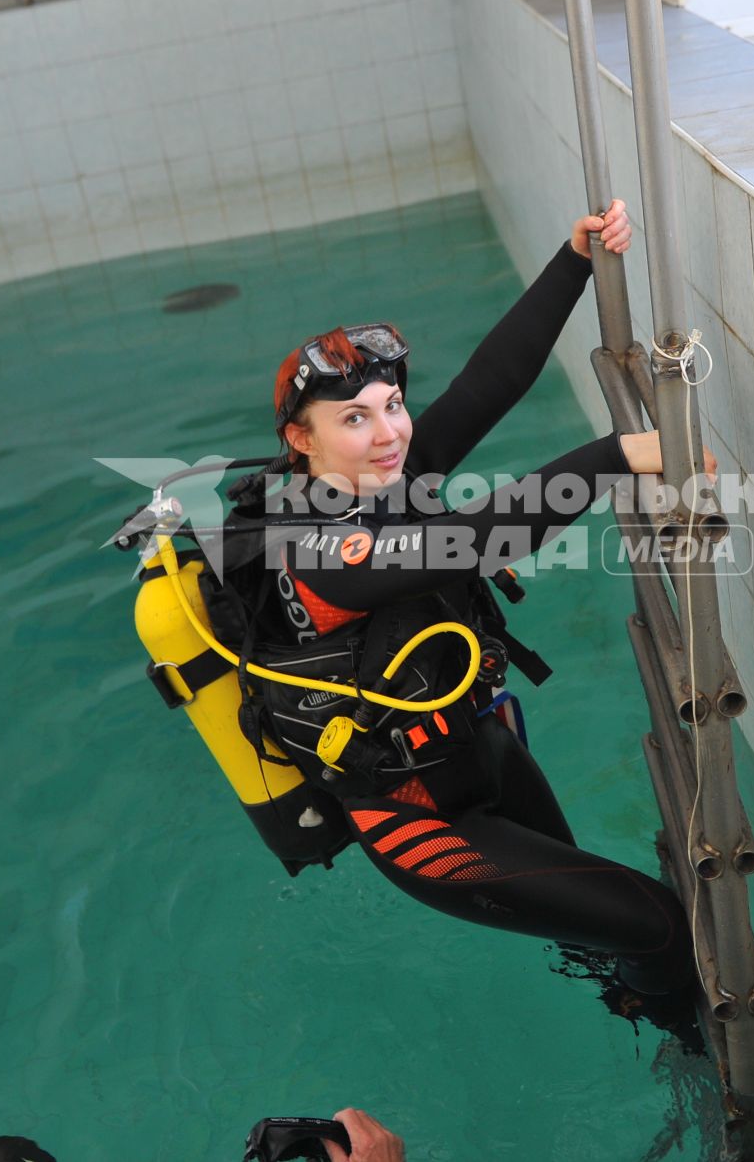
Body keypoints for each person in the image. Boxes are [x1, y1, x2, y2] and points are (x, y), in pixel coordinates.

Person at [235, 202, 712, 997]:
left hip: (482, 747)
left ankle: (647, 1015)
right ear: (301, 440)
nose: (388, 432)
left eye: (392, 404)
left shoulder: (384, 475)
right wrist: (621, 453)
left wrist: (574, 260)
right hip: (417, 820)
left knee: (599, 928)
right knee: (656, 919)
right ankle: (700, 1073)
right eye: (353, 418)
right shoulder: (312, 545)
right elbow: (473, 540)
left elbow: (491, 383)